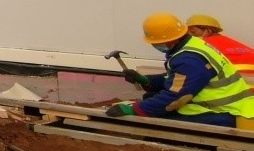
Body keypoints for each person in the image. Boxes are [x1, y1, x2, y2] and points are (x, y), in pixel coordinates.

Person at [108, 12, 254, 128]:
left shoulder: (189, 59)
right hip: (231, 106)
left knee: (159, 119)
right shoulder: (193, 44)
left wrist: (134, 110)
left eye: (157, 42)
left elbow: (175, 97)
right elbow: (180, 79)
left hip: (226, 113)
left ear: (170, 40)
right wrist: (146, 81)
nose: (155, 45)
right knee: (150, 99)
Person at [186, 14, 254, 83]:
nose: (189, 35)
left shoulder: (202, 45)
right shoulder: (233, 43)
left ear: (208, 30)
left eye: (193, 31)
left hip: (238, 85)